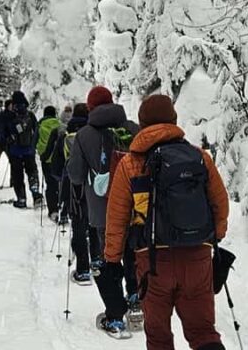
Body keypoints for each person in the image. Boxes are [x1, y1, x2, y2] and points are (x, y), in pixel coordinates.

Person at [105, 94, 230, 350]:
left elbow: (116, 218)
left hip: (152, 262)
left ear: (142, 123)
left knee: (159, 338)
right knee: (203, 332)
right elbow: (220, 204)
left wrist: (112, 259)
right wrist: (211, 237)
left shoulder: (130, 164)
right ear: (173, 119)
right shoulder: (200, 157)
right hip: (197, 256)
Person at [67, 86, 139, 337]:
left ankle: (115, 316)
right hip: (134, 207)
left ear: (90, 108)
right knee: (132, 252)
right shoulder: (132, 129)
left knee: (107, 258)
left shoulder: (84, 135)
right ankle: (136, 297)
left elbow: (75, 175)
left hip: (102, 209)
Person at [46, 102, 100, 284]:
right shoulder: (95, 134)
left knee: (78, 224)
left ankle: (83, 270)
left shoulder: (64, 135)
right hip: (94, 184)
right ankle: (98, 261)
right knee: (94, 223)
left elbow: (56, 167)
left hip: (72, 185)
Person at [3, 91, 43, 209]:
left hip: (15, 151)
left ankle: (21, 199)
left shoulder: (10, 116)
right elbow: (36, 131)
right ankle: (36, 196)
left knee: (17, 175)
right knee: (32, 172)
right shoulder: (30, 115)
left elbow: (4, 133)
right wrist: (33, 145)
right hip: (29, 150)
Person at [36, 106, 63, 219]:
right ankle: (61, 205)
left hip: (46, 159)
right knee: (60, 183)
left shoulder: (40, 126)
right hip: (59, 159)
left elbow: (35, 140)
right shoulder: (60, 125)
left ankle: (53, 210)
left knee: (50, 184)